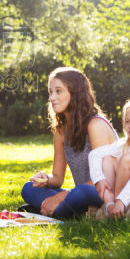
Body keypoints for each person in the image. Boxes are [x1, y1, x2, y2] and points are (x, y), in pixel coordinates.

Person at [21, 67, 118, 219]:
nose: (52, 97)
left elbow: (104, 180)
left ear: (76, 93)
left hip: (103, 192)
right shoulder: (61, 131)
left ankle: (51, 211)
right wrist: (46, 179)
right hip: (78, 195)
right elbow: (58, 178)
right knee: (28, 189)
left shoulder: (95, 125)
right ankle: (73, 211)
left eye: (58, 91)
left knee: (80, 192)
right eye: (50, 92)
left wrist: (59, 198)